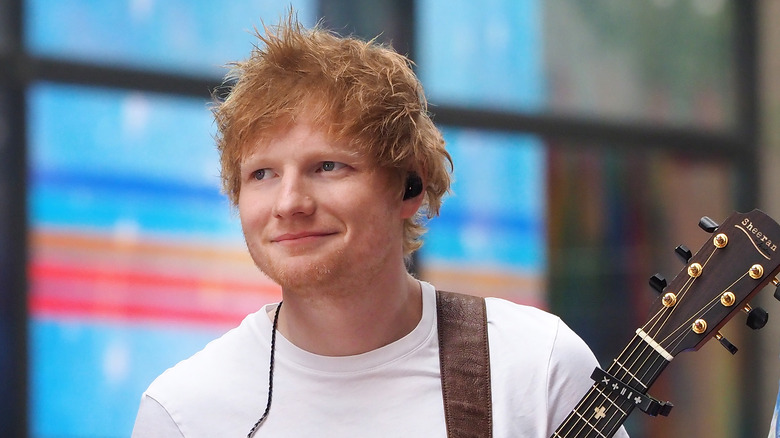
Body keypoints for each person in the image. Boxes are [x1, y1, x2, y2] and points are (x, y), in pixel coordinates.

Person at [131, 12, 629, 438]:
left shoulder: (535, 365)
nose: (289, 203)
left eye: (327, 167)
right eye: (262, 174)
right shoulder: (183, 413)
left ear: (408, 186)